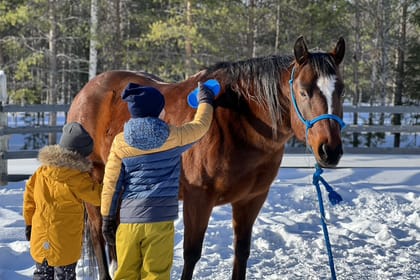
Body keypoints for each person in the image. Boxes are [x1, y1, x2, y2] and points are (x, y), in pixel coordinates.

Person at [101, 82, 215, 279]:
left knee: (125, 273)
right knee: (156, 274)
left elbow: (111, 182)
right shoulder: (173, 137)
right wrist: (205, 101)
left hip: (129, 221)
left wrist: (107, 217)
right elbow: (201, 126)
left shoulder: (120, 142)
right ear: (158, 112)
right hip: (160, 222)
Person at [23, 122, 102, 280]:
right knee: (65, 276)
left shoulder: (41, 171)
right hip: (65, 243)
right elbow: (97, 197)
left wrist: (29, 223)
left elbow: (29, 198)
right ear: (80, 154)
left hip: (40, 237)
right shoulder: (77, 178)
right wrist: (109, 183)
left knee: (42, 274)